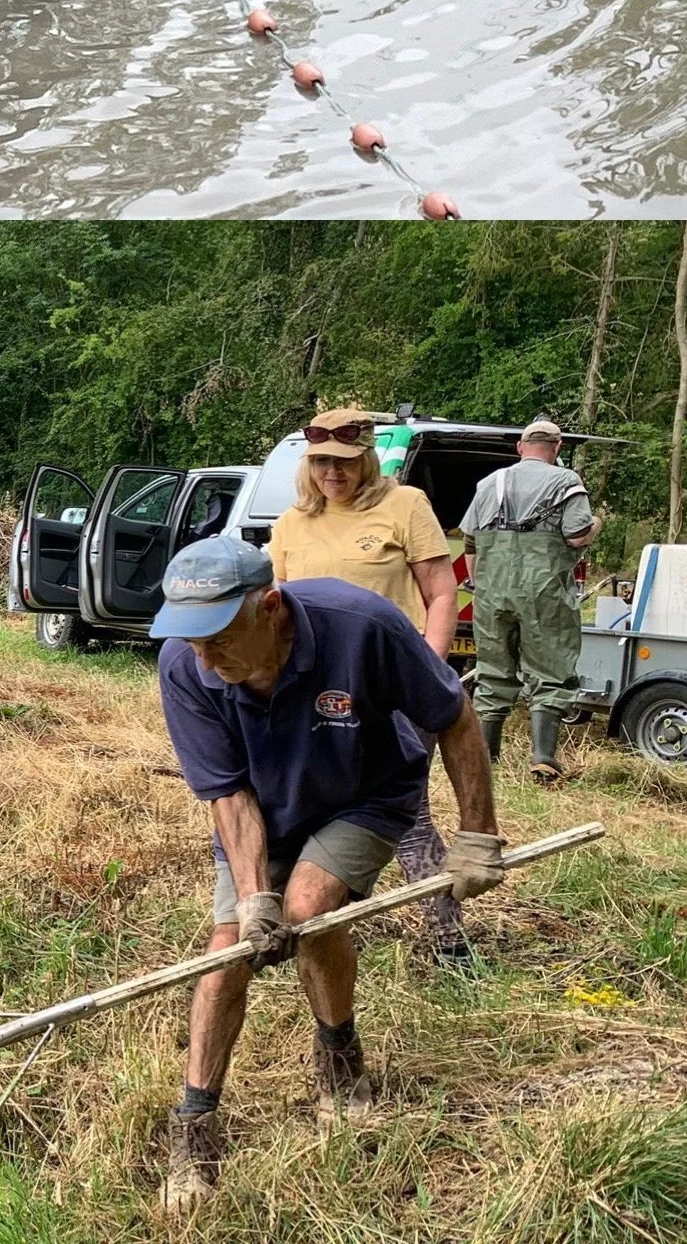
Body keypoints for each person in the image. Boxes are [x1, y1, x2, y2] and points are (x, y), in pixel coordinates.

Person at [151, 534, 503, 1208]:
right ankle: (195, 1125)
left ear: (271, 607)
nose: (203, 656)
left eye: (218, 637)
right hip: (264, 806)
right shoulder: (186, 667)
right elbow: (229, 794)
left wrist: (478, 837)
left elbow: (455, 715)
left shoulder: (361, 626)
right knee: (228, 950)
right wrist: (255, 899)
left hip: (366, 793)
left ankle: (339, 1057)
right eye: (189, 640)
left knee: (310, 911)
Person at [269, 407, 471, 962]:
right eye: (322, 462)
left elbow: (441, 592)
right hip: (316, 691)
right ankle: (315, 925)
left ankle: (449, 940)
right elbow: (277, 612)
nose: (334, 473)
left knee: (407, 811)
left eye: (346, 461)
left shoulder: (404, 505)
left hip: (392, 685)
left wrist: (428, 667)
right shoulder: (291, 522)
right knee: (313, 804)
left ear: (367, 460)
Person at [460, 417, 597, 785]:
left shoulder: (490, 483)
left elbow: (470, 542)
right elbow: (578, 535)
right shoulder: (567, 481)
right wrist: (596, 524)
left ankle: (487, 757)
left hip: (492, 591)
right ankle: (543, 757)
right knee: (551, 670)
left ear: (520, 448)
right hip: (544, 590)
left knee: (492, 670)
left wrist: (479, 583)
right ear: (557, 449)